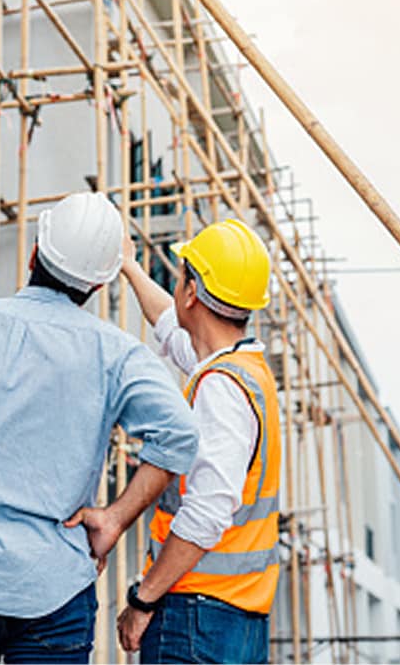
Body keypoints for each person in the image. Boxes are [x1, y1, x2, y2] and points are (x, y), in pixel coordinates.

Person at [0, 192, 198, 664]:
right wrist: (114, 518)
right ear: (100, 282)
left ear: (35, 250)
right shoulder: (117, 354)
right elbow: (180, 435)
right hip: (57, 591)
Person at [115, 219, 281, 664]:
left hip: (196, 614)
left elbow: (207, 512)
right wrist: (130, 267)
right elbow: (171, 329)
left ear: (191, 292)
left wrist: (143, 599)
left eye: (182, 274)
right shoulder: (242, 370)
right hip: (235, 617)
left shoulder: (221, 387)